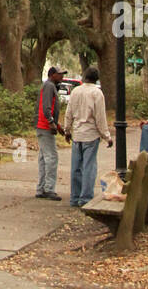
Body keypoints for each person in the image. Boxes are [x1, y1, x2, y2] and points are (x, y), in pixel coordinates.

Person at [63, 65, 112, 207]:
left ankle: (75, 197)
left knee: (76, 167)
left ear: (84, 77)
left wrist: (67, 130)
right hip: (91, 134)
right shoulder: (97, 94)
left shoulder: (76, 91)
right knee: (89, 166)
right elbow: (100, 118)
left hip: (77, 134)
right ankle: (85, 198)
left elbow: (69, 112)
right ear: (97, 79)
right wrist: (106, 136)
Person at [35, 65, 66, 200]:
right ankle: (49, 189)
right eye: (60, 74)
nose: (62, 77)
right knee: (51, 157)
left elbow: (48, 107)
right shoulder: (49, 86)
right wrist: (51, 122)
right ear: (52, 74)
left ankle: (41, 188)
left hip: (43, 125)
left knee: (43, 158)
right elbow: (46, 106)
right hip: (45, 126)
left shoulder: (49, 86)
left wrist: (57, 125)